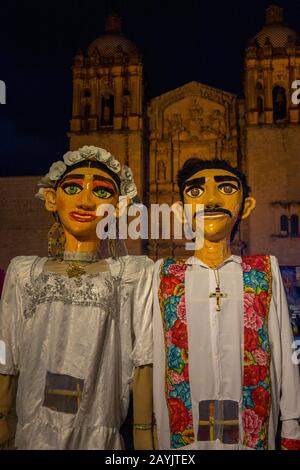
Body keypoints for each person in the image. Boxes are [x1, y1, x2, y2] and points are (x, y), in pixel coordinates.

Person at [0, 146, 154, 450]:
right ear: (51, 198)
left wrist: (143, 432)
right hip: (31, 432)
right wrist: (2, 417)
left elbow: (143, 357)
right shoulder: (23, 271)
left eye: (101, 191)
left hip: (98, 433)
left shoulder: (134, 273)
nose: (85, 201)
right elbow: (5, 349)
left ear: (118, 206)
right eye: (72, 188)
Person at [153, 158, 300, 450]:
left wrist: (292, 427)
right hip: (187, 434)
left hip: (251, 432)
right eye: (195, 192)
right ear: (181, 212)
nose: (210, 198)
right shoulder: (165, 274)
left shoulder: (263, 272)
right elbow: (155, 352)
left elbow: (285, 351)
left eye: (226, 188)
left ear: (245, 207)